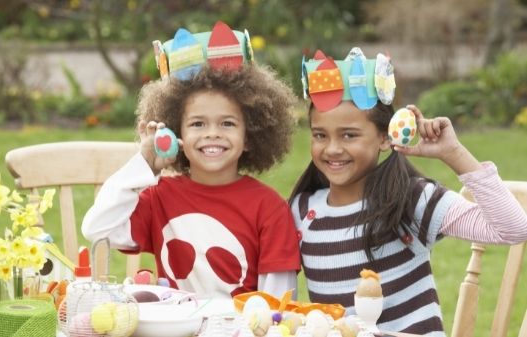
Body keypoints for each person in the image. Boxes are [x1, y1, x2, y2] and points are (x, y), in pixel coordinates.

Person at [289, 48, 527, 336]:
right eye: (319, 135)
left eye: (349, 134)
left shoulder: (410, 200)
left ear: (385, 138)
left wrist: (453, 154)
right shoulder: (303, 211)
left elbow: (513, 229)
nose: (332, 148)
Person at [82, 22, 301, 299]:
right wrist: (144, 164)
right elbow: (98, 229)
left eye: (227, 123)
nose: (212, 134)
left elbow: (279, 303)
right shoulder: (159, 198)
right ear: (176, 132)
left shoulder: (269, 209)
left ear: (250, 134)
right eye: (197, 124)